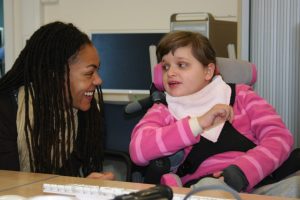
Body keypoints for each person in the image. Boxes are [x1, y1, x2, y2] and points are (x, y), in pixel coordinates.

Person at [129, 31, 300, 197]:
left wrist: (242, 172)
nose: (171, 73)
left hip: (258, 185)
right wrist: (198, 123)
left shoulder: (242, 95)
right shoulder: (163, 110)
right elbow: (138, 151)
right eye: (166, 67)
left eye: (181, 65)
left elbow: (279, 138)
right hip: (205, 188)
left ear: (208, 71)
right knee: (210, 189)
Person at [0, 21, 114, 180]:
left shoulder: (82, 113)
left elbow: (61, 182)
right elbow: (8, 185)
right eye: (89, 73)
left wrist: (83, 187)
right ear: (54, 74)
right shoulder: (5, 110)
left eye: (97, 71)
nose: (99, 81)